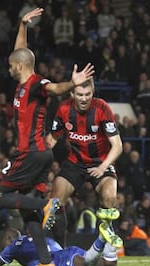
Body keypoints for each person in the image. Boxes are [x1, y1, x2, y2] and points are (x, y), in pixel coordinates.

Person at [0, 7, 95, 266]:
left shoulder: (36, 84)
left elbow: (56, 88)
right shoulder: (22, 80)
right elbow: (21, 52)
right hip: (39, 155)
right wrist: (23, 25)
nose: (8, 66)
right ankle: (46, 263)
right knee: (29, 215)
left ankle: (47, 204)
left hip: (30, 152)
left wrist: (72, 84)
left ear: (20, 67)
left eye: (12, 65)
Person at [47, 77, 123, 247]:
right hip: (75, 163)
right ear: (72, 93)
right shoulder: (64, 108)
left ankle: (106, 242)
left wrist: (103, 167)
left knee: (110, 198)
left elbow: (117, 146)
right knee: (54, 202)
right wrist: (39, 160)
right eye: (80, 94)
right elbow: (51, 139)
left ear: (92, 93)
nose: (84, 98)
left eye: (87, 94)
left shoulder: (102, 108)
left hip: (100, 162)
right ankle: (59, 249)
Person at [0, 222, 118, 266]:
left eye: (4, 240)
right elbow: (56, 247)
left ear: (10, 238)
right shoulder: (41, 239)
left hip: (61, 260)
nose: (3, 244)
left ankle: (102, 238)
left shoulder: (14, 245)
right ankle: (107, 241)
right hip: (68, 252)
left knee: (85, 265)